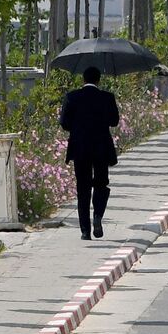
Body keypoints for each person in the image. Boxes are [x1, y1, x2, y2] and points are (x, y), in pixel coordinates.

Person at [59, 66, 120, 240]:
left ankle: (85, 230)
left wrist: (78, 128)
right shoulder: (107, 97)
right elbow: (114, 121)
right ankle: (98, 216)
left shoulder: (72, 97)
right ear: (98, 80)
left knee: (83, 188)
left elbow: (64, 123)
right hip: (101, 148)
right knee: (101, 183)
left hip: (80, 148)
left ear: (83, 80)